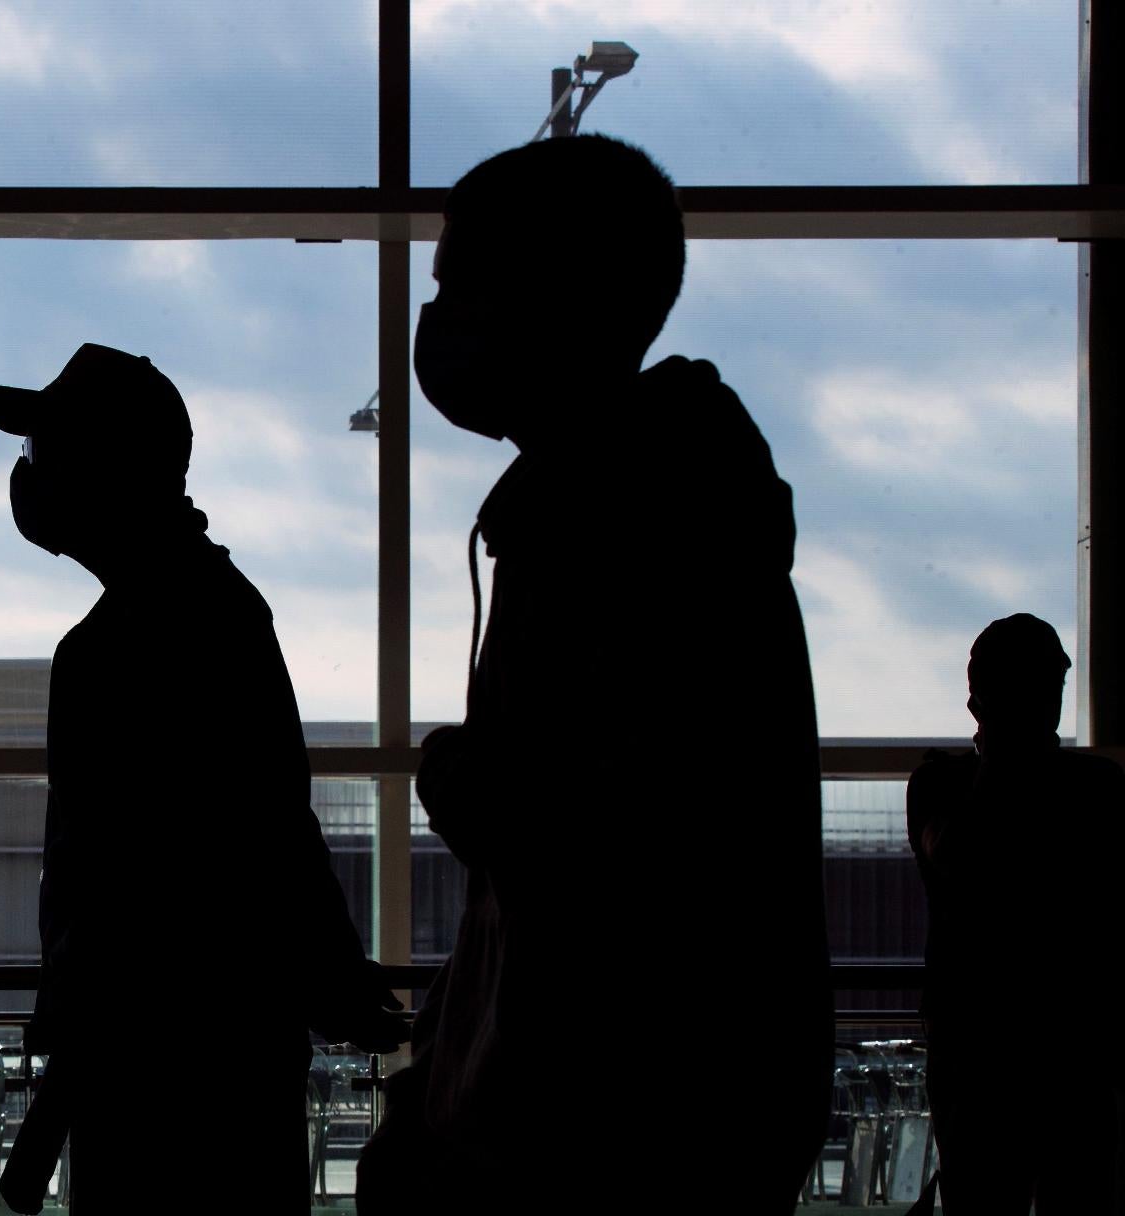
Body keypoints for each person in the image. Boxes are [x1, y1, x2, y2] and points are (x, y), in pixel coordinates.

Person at [359, 136, 832, 1211]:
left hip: (612, 1145)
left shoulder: (634, 536)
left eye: (459, 287)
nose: (438, 321)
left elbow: (604, 865)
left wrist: (462, 783)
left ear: (556, 301)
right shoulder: (644, 508)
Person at [0, 343, 409, 1212]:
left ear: (106, 468)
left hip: (165, 1077)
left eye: (43, 451)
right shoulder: (209, 612)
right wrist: (331, 977)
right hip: (215, 1060)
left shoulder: (128, 641)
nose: (29, 474)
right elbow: (275, 831)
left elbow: (252, 840)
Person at [908, 614, 1124, 1214]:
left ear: (975, 701)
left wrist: (1001, 753)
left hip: (978, 1051)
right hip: (1074, 1048)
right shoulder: (1097, 788)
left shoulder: (940, 786)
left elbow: (961, 866)